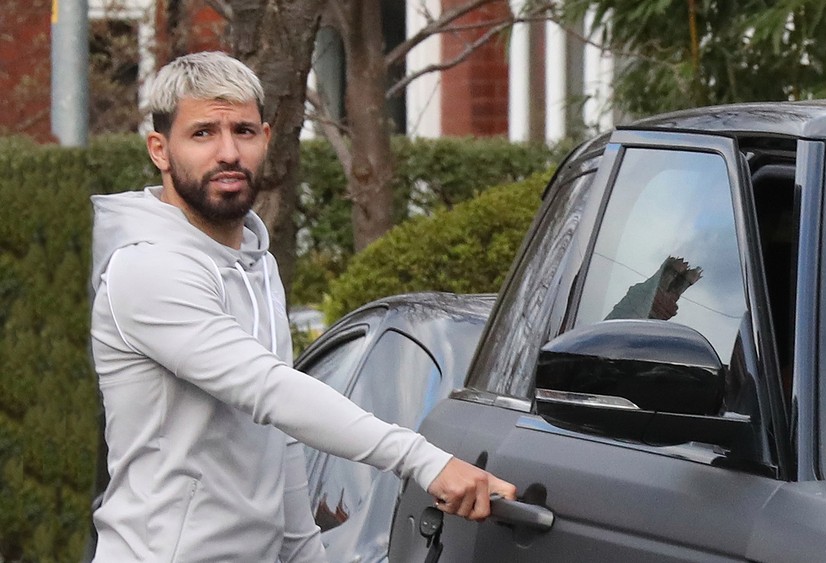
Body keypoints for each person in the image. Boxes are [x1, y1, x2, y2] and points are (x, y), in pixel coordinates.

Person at [88, 51, 515, 562]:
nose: (229, 152)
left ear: (266, 138)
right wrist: (424, 460)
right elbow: (269, 390)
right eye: (202, 133)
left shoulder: (256, 264)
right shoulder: (147, 268)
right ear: (160, 150)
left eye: (243, 131)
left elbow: (278, 436)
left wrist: (306, 553)